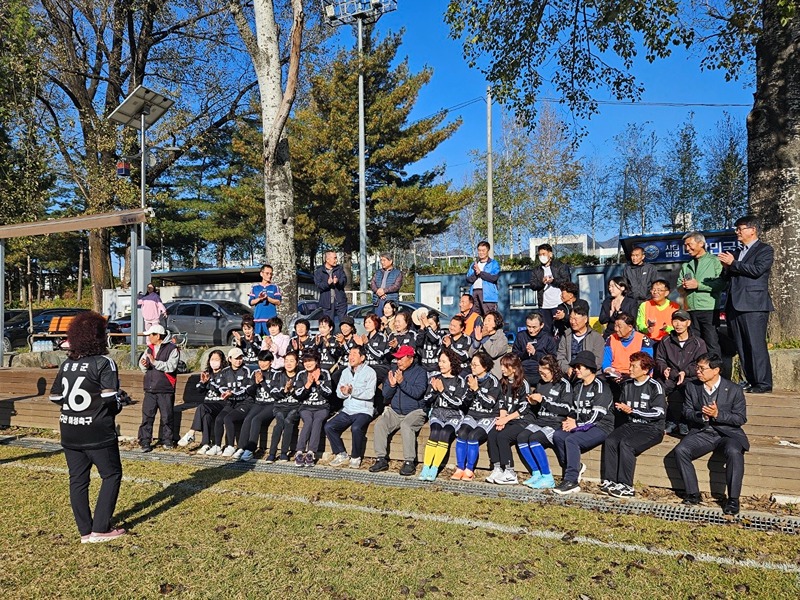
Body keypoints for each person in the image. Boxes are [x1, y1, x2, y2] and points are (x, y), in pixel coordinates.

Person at [49, 311, 126, 543]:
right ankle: (100, 529)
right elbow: (110, 397)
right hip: (97, 431)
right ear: (98, 336)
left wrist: (75, 409)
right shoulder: (104, 362)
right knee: (111, 474)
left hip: (69, 429)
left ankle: (85, 531)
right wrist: (120, 402)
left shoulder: (67, 363)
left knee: (78, 480)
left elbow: (54, 397)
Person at [673, 353, 748, 515]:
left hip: (728, 433)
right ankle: (693, 494)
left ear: (716, 371)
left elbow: (740, 418)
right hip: (703, 432)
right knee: (681, 450)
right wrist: (701, 416)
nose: (698, 371)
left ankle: (733, 499)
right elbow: (686, 411)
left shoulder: (734, 389)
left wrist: (717, 415)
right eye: (697, 367)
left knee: (735, 453)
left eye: (702, 368)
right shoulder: (692, 387)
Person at [718, 215, 774, 393]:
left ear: (752, 230)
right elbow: (729, 277)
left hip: (754, 305)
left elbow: (757, 270)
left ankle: (763, 383)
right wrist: (727, 268)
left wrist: (733, 263)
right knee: (741, 346)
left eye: (740, 229)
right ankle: (750, 380)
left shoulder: (764, 250)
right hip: (734, 304)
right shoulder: (736, 251)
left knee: (755, 344)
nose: (737, 232)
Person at [601, 352, 666, 498]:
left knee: (627, 444)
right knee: (611, 440)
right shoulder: (627, 384)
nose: (630, 369)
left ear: (645, 370)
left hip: (652, 428)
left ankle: (626, 486)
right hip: (631, 425)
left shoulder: (655, 387)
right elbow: (624, 407)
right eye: (630, 365)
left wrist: (633, 411)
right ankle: (611, 480)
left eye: (634, 366)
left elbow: (659, 413)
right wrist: (621, 408)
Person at [551, 350, 614, 495]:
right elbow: (574, 408)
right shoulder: (578, 386)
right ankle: (574, 467)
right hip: (581, 424)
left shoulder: (601, 387)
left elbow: (597, 416)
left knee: (572, 440)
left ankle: (571, 481)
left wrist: (577, 426)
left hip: (601, 427)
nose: (576, 370)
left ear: (590, 369)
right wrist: (571, 419)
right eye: (575, 367)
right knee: (558, 435)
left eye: (579, 367)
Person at [514, 354, 572, 489]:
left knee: (534, 439)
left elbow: (567, 409)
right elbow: (538, 405)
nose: (542, 375)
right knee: (521, 437)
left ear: (553, 369)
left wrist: (543, 400)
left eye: (545, 371)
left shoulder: (564, 384)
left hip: (555, 423)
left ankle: (547, 476)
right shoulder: (540, 383)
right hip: (540, 420)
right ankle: (536, 473)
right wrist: (533, 402)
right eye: (540, 372)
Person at [369, 345, 428, 476]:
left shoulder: (420, 372)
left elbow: (418, 393)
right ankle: (381, 459)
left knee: (406, 425)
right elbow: (386, 394)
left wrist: (402, 383)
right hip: (395, 411)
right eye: (397, 359)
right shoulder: (394, 370)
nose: (398, 361)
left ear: (411, 358)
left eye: (401, 359)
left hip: (415, 411)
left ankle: (409, 462)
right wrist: (391, 385)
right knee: (380, 424)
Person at [450, 352, 502, 481]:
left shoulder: (493, 381)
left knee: (473, 436)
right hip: (472, 414)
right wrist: (470, 392)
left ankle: (469, 469)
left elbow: (489, 404)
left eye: (475, 365)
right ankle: (460, 467)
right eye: (471, 364)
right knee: (462, 433)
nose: (472, 367)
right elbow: (465, 402)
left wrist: (477, 390)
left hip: (488, 416)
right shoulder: (469, 378)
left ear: (484, 367)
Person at [654, 311, 708, 436]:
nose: (678, 324)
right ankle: (669, 421)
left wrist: (686, 372)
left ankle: (684, 421)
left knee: (690, 390)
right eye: (675, 321)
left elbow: (700, 364)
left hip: (690, 377)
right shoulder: (666, 340)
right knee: (658, 390)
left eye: (682, 321)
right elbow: (660, 359)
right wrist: (664, 368)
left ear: (688, 323)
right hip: (670, 376)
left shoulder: (698, 343)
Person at [419, 348, 467, 481]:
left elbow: (458, 403)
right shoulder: (435, 378)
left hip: (454, 415)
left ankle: (435, 467)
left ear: (452, 363)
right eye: (440, 361)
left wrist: (442, 391)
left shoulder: (459, 381)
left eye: (444, 361)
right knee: (435, 431)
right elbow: (427, 399)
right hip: (437, 412)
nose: (440, 364)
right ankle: (426, 467)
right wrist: (434, 391)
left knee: (445, 433)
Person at [326, 345, 377, 469]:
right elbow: (339, 393)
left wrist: (352, 391)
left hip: (364, 410)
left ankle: (356, 456)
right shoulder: (345, 372)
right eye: (350, 354)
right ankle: (341, 454)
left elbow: (370, 394)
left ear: (362, 357)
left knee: (356, 428)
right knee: (329, 426)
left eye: (354, 354)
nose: (351, 357)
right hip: (347, 409)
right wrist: (343, 392)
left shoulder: (370, 372)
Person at [486, 354, 531, 485]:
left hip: (522, 420)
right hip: (508, 418)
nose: (503, 369)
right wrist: (501, 419)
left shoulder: (524, 384)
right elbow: (502, 403)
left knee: (503, 436)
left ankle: (510, 472)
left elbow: (524, 408)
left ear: (515, 367)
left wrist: (505, 420)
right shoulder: (503, 382)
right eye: (501, 366)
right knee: (492, 433)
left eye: (506, 366)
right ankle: (498, 467)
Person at [679, 231, 725, 359]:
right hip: (690, 310)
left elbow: (722, 284)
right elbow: (678, 287)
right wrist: (683, 286)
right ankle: (697, 372)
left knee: (712, 343)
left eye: (689, 245)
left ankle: (715, 372)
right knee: (695, 344)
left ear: (701, 243)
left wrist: (698, 285)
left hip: (709, 309)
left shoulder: (715, 261)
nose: (687, 248)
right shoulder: (686, 265)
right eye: (685, 246)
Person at [137, 324, 179, 452]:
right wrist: (144, 364)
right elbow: (143, 365)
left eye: (151, 335)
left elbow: (171, 366)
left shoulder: (172, 349)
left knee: (167, 416)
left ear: (158, 336)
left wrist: (155, 362)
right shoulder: (148, 349)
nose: (149, 337)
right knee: (147, 417)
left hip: (165, 388)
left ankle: (167, 440)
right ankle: (145, 441)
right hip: (150, 388)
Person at [234, 350, 280, 462]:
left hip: (271, 404)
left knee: (256, 419)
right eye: (260, 360)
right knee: (248, 419)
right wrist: (256, 383)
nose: (262, 363)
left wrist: (263, 382)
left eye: (265, 361)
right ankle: (241, 448)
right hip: (258, 403)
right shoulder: (256, 373)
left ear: (271, 361)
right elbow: (249, 391)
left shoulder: (277, 374)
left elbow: (275, 394)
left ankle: (250, 450)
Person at [208, 347, 255, 457]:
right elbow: (220, 386)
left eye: (240, 358)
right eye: (236, 358)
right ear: (230, 359)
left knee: (228, 418)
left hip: (245, 403)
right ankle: (218, 446)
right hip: (231, 402)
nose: (238, 361)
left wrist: (232, 393)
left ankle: (230, 446)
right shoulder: (224, 372)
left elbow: (246, 389)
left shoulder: (246, 371)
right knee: (219, 419)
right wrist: (225, 393)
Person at [177, 349, 227, 452]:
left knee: (201, 407)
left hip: (220, 404)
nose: (214, 362)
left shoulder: (226, 374)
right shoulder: (207, 374)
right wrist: (203, 382)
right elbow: (199, 389)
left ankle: (191, 433)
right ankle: (205, 444)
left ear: (222, 361)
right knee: (206, 416)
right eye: (212, 359)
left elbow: (222, 390)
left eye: (217, 359)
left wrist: (211, 383)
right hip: (208, 404)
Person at [292, 350, 333, 467]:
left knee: (318, 420)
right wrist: (308, 385)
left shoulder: (325, 373)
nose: (307, 364)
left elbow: (329, 393)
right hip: (306, 407)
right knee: (308, 421)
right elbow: (298, 395)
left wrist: (318, 382)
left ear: (317, 361)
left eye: (310, 361)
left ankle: (311, 452)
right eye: (305, 361)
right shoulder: (301, 374)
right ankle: (299, 451)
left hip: (322, 406)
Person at [602, 312, 653, 398]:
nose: (616, 329)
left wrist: (629, 376)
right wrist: (611, 371)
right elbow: (606, 362)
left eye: (619, 327)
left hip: (635, 377)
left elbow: (647, 364)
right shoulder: (611, 339)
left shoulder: (643, 339)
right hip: (615, 376)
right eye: (615, 326)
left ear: (630, 327)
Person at [266, 351, 301, 462]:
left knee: (288, 421)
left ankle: (284, 453)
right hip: (280, 406)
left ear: (297, 363)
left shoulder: (301, 375)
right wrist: (285, 390)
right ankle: (272, 453)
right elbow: (273, 393)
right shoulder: (278, 375)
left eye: (292, 361)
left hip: (295, 407)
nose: (289, 364)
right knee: (280, 421)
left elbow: (302, 394)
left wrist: (293, 390)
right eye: (286, 361)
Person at [529, 244, 571, 335]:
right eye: (540, 255)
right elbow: (532, 285)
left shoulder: (560, 266)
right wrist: (542, 282)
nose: (541, 257)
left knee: (561, 329)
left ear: (550, 254)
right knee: (546, 331)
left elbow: (567, 281)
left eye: (544, 254)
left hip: (558, 303)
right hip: (544, 305)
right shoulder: (537, 270)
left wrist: (553, 281)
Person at [557, 301, 605, 379]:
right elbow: (560, 357)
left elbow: (598, 360)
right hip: (570, 374)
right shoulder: (566, 336)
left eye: (575, 319)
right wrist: (567, 369)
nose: (572, 322)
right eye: (571, 319)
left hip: (590, 375)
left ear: (585, 319)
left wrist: (583, 371)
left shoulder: (596, 337)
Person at [512, 311, 557, 387]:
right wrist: (525, 353)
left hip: (540, 372)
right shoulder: (521, 336)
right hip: (523, 371)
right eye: (528, 326)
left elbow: (552, 359)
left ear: (542, 325)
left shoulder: (548, 338)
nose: (531, 330)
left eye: (534, 327)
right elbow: (514, 355)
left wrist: (535, 353)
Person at [466, 240, 501, 316]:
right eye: (479, 250)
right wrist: (476, 273)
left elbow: (493, 277)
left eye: (483, 250)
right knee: (475, 317)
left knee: (489, 317)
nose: (481, 252)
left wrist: (480, 273)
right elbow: (468, 279)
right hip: (474, 293)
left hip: (488, 296)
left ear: (488, 251)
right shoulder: (474, 265)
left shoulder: (494, 263)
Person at [248, 264, 282, 336]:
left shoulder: (274, 287)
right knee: (258, 342)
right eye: (267, 273)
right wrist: (259, 298)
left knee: (271, 343)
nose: (269, 276)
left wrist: (267, 298)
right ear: (261, 274)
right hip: (257, 320)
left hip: (271, 321)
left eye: (271, 273)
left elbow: (278, 302)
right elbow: (251, 302)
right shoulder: (255, 288)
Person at [314, 250, 348, 321]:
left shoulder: (339, 269)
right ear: (327, 259)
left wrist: (338, 282)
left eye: (336, 258)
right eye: (334, 258)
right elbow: (318, 286)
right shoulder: (319, 271)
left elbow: (344, 280)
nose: (336, 260)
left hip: (340, 302)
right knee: (328, 324)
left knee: (344, 323)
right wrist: (328, 283)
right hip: (327, 303)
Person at [474, 310, 508, 380]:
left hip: (494, 377)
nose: (485, 323)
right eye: (485, 320)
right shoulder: (481, 336)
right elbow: (471, 354)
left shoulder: (502, 339)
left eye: (489, 320)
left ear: (496, 323)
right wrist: (477, 340)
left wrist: (484, 338)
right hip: (479, 375)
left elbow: (493, 353)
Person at [371, 252, 403, 317]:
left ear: (390, 261)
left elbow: (396, 286)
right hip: (378, 301)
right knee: (378, 322)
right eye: (381, 260)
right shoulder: (378, 272)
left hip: (391, 302)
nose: (382, 262)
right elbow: (372, 283)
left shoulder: (398, 273)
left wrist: (384, 291)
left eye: (384, 260)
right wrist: (378, 291)